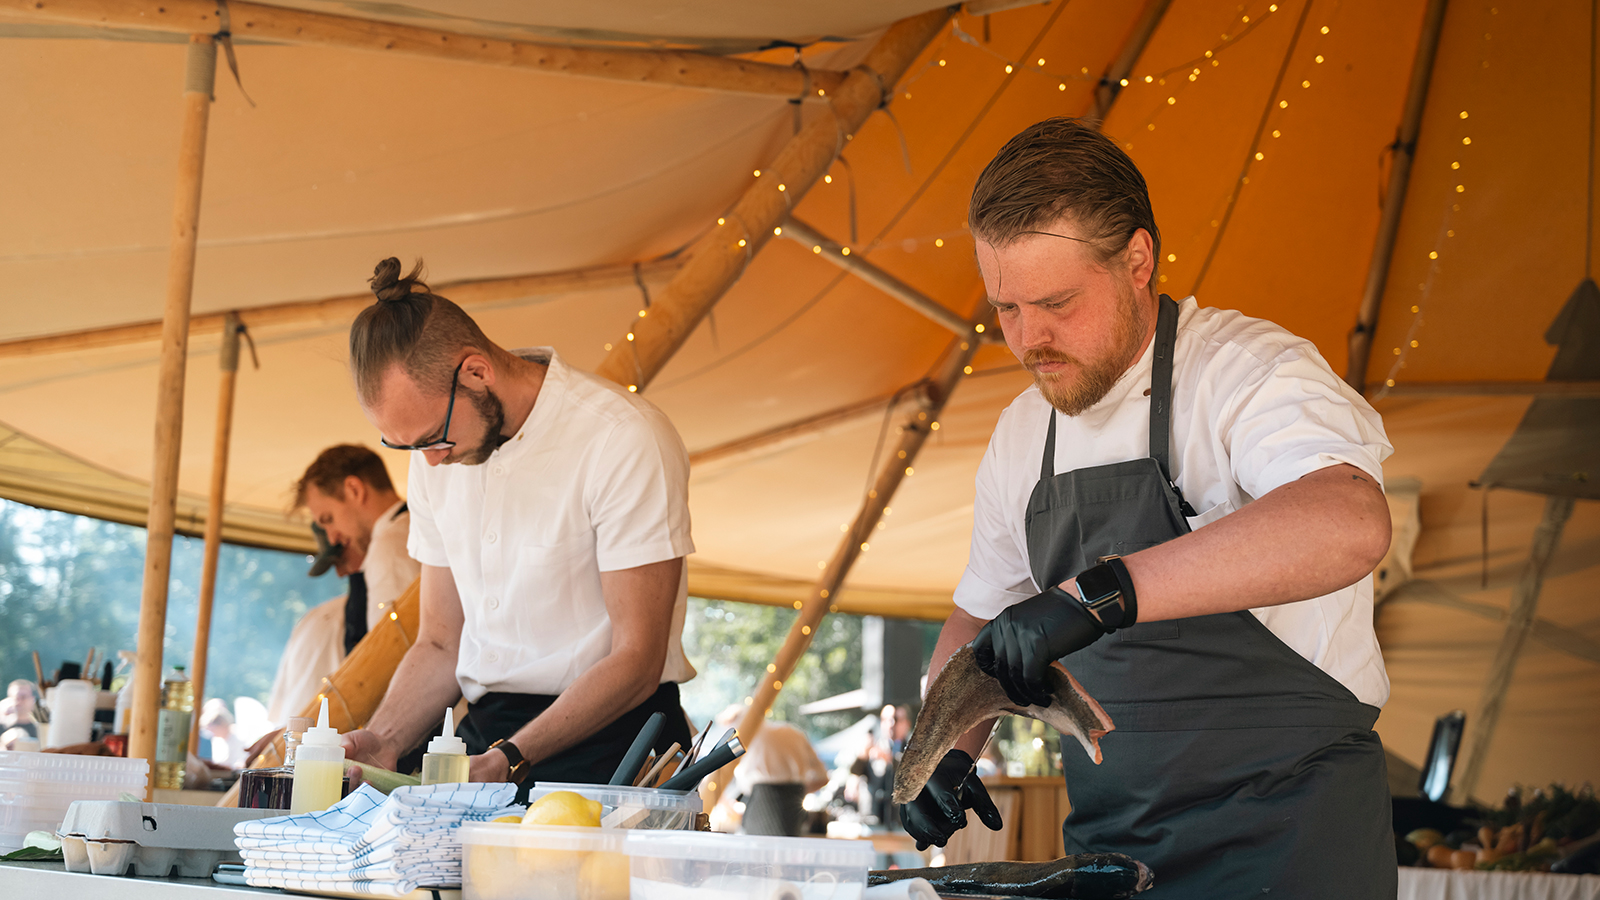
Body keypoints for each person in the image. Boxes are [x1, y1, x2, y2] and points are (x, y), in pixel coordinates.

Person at [902, 118, 1396, 898]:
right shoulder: (1023, 435)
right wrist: (945, 746)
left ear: (1138, 260)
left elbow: (1350, 521)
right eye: (1007, 310)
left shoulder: (1246, 373)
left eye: (1057, 302)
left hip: (1289, 844)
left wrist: (1098, 597)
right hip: (1111, 858)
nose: (1030, 338)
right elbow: (978, 621)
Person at [337, 258, 695, 797]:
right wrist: (386, 738)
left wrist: (511, 757)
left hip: (618, 742)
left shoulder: (622, 438)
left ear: (476, 372)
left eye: (433, 437)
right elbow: (440, 642)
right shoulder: (435, 454)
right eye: (407, 446)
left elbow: (637, 658)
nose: (429, 463)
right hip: (484, 739)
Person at [263, 446, 420, 728]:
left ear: (354, 490)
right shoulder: (414, 530)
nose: (332, 536)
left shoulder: (391, 545)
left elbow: (390, 659)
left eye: (328, 519)